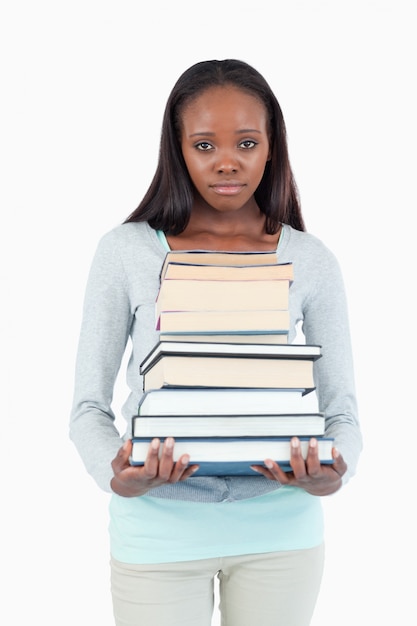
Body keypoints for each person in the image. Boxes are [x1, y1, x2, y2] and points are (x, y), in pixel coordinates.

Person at [70, 59, 362, 626]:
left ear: (272, 147)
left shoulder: (309, 260)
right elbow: (86, 407)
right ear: (177, 149)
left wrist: (336, 470)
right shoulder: (127, 253)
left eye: (247, 142)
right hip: (157, 530)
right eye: (204, 145)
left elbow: (342, 408)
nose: (227, 162)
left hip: (282, 531)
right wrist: (117, 473)